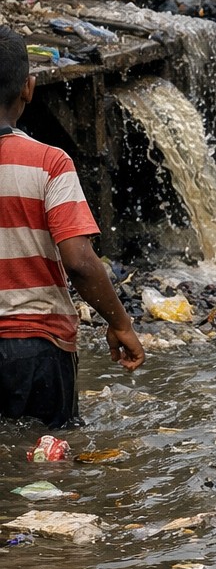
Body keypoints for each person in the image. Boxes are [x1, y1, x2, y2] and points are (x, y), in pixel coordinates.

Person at [0, 27, 146, 429]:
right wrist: (120, 323)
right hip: (35, 349)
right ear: (28, 88)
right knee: (45, 464)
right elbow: (79, 261)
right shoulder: (49, 163)